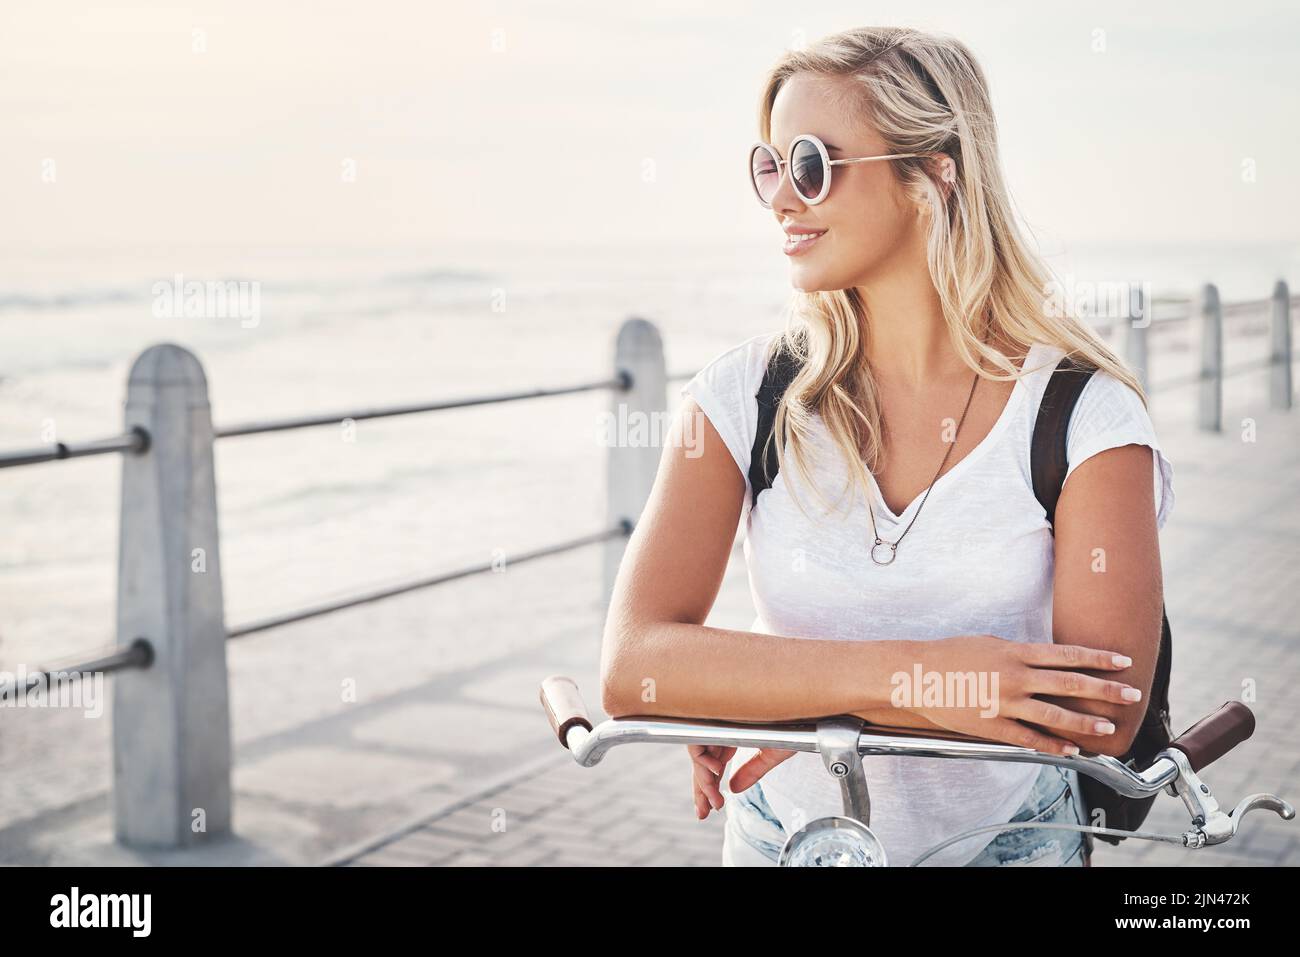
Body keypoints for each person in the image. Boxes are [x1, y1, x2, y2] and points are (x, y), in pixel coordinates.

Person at [599, 26, 1173, 867]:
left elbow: (1098, 712)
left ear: (932, 174)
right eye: (769, 167)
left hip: (1007, 846)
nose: (782, 200)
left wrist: (771, 696)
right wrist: (931, 681)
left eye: (811, 164)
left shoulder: (1085, 417)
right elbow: (634, 664)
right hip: (780, 842)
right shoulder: (739, 397)